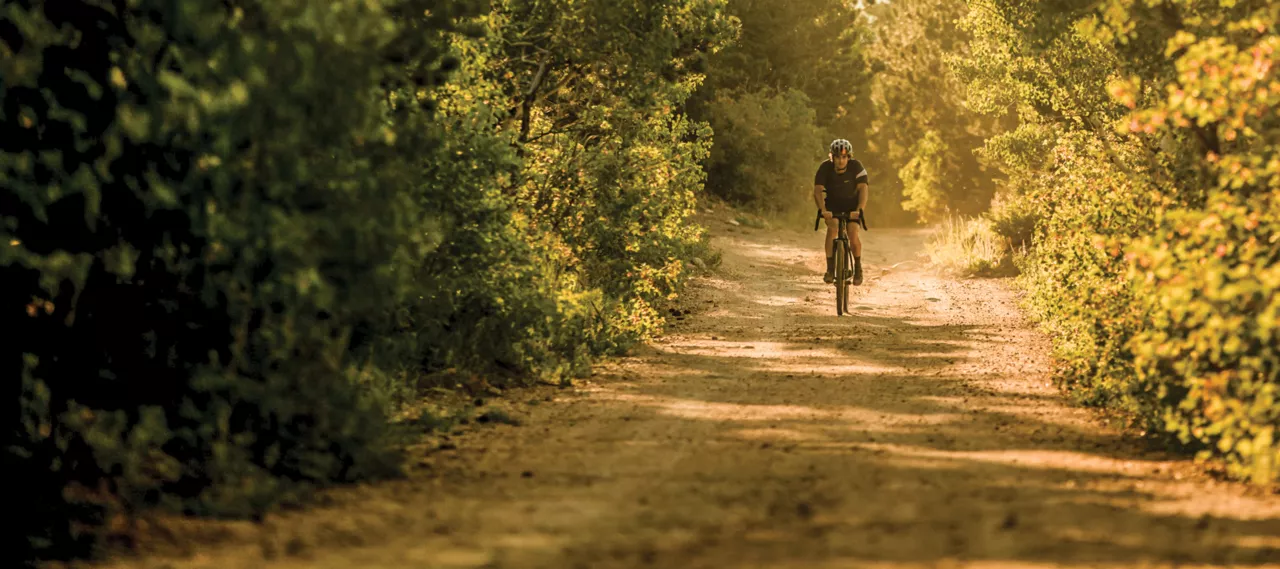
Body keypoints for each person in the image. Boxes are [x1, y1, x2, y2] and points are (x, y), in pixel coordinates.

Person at [813, 138, 868, 285]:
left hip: (852, 205)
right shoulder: (824, 167)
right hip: (833, 206)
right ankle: (830, 269)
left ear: (849, 157)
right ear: (832, 157)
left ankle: (857, 268)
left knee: (852, 231)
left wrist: (860, 209)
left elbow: (863, 189)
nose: (840, 161)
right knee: (832, 228)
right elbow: (818, 190)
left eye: (844, 157)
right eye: (837, 157)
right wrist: (823, 210)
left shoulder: (856, 166)